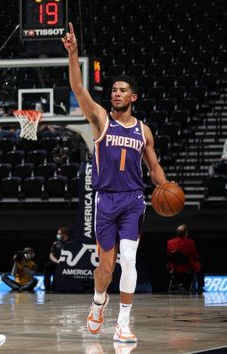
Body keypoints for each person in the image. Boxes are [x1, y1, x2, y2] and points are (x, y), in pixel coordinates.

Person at [62, 23, 169, 343]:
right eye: (113, 90)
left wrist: (165, 187)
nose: (116, 93)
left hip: (133, 199)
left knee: (130, 259)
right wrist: (73, 54)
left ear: (133, 96)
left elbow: (154, 167)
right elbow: (80, 89)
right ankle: (98, 302)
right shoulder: (100, 119)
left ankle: (123, 322)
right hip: (105, 199)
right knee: (106, 269)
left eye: (122, 90)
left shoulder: (143, 131)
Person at [167, 224, 204, 292]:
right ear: (186, 233)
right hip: (187, 268)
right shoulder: (190, 243)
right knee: (200, 266)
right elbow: (195, 256)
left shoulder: (169, 242)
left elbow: (169, 255)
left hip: (174, 268)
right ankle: (200, 288)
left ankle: (180, 284)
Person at [43, 226, 71, 292]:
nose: (58, 235)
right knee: (47, 266)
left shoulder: (70, 244)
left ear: (64, 234)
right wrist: (57, 261)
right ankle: (47, 288)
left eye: (59, 233)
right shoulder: (55, 243)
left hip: (68, 264)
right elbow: (51, 255)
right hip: (57, 263)